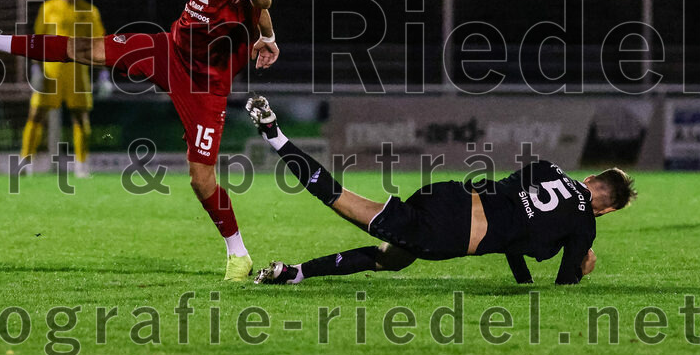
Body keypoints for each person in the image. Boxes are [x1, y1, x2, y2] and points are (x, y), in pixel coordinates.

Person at [0, 0, 278, 280]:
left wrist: (262, 1)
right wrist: (269, 36)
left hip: (204, 86)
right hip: (168, 50)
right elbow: (259, 10)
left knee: (200, 179)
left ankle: (238, 254)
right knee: (84, 50)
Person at [245, 95, 636, 285]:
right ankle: (276, 136)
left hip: (448, 195)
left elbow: (514, 226)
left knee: (393, 258)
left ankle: (292, 273)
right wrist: (584, 265)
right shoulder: (585, 222)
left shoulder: (547, 168)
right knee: (339, 199)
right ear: (607, 209)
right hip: (449, 231)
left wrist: (523, 282)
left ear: (589, 180)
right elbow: (566, 281)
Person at [22, 0, 106, 178]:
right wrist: (35, 68)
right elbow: (37, 40)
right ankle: (25, 162)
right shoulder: (49, 8)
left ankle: (81, 164)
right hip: (51, 72)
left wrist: (104, 74)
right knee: (36, 115)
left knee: (80, 118)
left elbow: (100, 44)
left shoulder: (90, 11)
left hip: (77, 74)